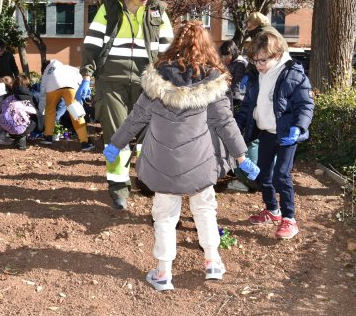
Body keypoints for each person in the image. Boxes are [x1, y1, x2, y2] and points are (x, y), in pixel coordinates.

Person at [102, 21, 260, 290]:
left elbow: (136, 118)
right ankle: (212, 262)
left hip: (162, 164)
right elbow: (225, 123)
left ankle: (163, 274)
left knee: (164, 215)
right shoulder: (213, 81)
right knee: (205, 208)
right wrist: (243, 157)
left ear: (175, 44)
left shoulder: (157, 80)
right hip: (199, 162)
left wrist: (116, 144)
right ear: (207, 47)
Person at [77, 0, 174, 210]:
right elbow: (92, 43)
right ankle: (119, 187)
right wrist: (86, 76)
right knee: (115, 134)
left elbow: (167, 49)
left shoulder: (157, 10)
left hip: (147, 80)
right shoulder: (109, 7)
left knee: (148, 134)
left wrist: (169, 79)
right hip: (112, 79)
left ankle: (147, 178)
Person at [235, 32, 314, 240]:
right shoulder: (255, 76)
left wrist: (299, 127)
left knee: (282, 175)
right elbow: (247, 107)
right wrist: (235, 128)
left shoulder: (293, 74)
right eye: (255, 60)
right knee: (262, 174)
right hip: (266, 133)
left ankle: (289, 218)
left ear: (277, 54)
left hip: (286, 134)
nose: (259, 64)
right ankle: (272, 210)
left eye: (263, 60)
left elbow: (305, 105)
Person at [39, 59, 95, 151]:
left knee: (50, 110)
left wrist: (41, 110)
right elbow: (80, 77)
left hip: (52, 86)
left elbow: (43, 88)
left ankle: (48, 137)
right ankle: (84, 142)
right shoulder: (69, 68)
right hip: (71, 86)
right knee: (76, 113)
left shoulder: (48, 69)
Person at [1, 74, 37, 150]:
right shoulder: (29, 97)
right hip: (19, 127)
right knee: (35, 119)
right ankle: (21, 140)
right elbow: (34, 112)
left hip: (6, 127)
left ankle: (16, 137)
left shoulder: (8, 96)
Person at [219, 40, 248, 105]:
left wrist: (232, 97)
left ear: (233, 52)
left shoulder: (240, 64)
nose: (224, 58)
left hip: (236, 97)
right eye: (223, 55)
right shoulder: (230, 62)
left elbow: (237, 83)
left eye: (227, 55)